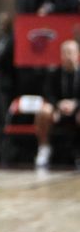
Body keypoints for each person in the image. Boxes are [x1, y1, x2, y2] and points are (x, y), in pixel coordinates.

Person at [33, 39, 80, 169]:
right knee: (43, 111)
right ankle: (44, 149)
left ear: (77, 54)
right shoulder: (54, 73)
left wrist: (75, 104)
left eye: (70, 52)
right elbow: (48, 94)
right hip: (58, 111)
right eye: (64, 53)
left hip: (77, 111)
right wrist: (58, 105)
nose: (68, 56)